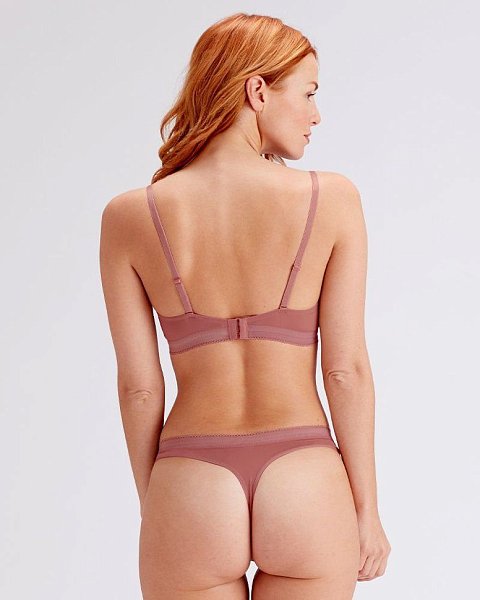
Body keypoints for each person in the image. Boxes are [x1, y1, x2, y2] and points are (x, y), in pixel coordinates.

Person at [99, 12, 391, 600]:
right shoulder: (331, 199)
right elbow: (345, 371)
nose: (315, 114)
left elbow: (139, 388)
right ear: (258, 91)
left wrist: (160, 504)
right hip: (305, 477)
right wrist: (367, 510)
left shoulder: (129, 216)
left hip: (191, 478)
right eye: (308, 93)